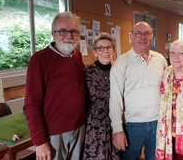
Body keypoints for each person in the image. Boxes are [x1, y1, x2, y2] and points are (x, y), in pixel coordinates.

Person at [24, 12, 86, 159]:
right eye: (62, 31)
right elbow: (32, 104)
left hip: (80, 128)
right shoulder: (39, 60)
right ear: (53, 34)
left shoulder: (77, 55)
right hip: (54, 134)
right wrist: (40, 142)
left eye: (74, 31)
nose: (69, 36)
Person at [109, 21, 168, 160]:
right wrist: (117, 129)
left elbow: (167, 91)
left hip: (157, 122)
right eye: (138, 33)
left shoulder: (160, 59)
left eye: (147, 33)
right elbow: (115, 98)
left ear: (152, 37)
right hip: (132, 125)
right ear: (131, 37)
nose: (143, 37)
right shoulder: (121, 63)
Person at [82, 33, 120, 160]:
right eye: (100, 48)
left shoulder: (118, 70)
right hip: (94, 123)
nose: (105, 51)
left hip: (115, 122)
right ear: (95, 52)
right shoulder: (87, 72)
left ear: (113, 50)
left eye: (108, 47)